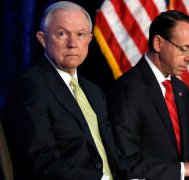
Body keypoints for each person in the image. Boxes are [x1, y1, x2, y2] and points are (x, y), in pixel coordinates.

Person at [2, 1, 131, 180]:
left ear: (89, 40)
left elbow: (113, 155)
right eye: (62, 34)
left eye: (80, 34)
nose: (73, 43)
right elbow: (43, 163)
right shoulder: (30, 88)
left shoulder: (94, 92)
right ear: (42, 39)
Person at [106, 10, 189, 180]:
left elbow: (183, 158)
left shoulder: (181, 90)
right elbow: (124, 162)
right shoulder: (127, 88)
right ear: (158, 43)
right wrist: (184, 170)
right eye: (184, 49)